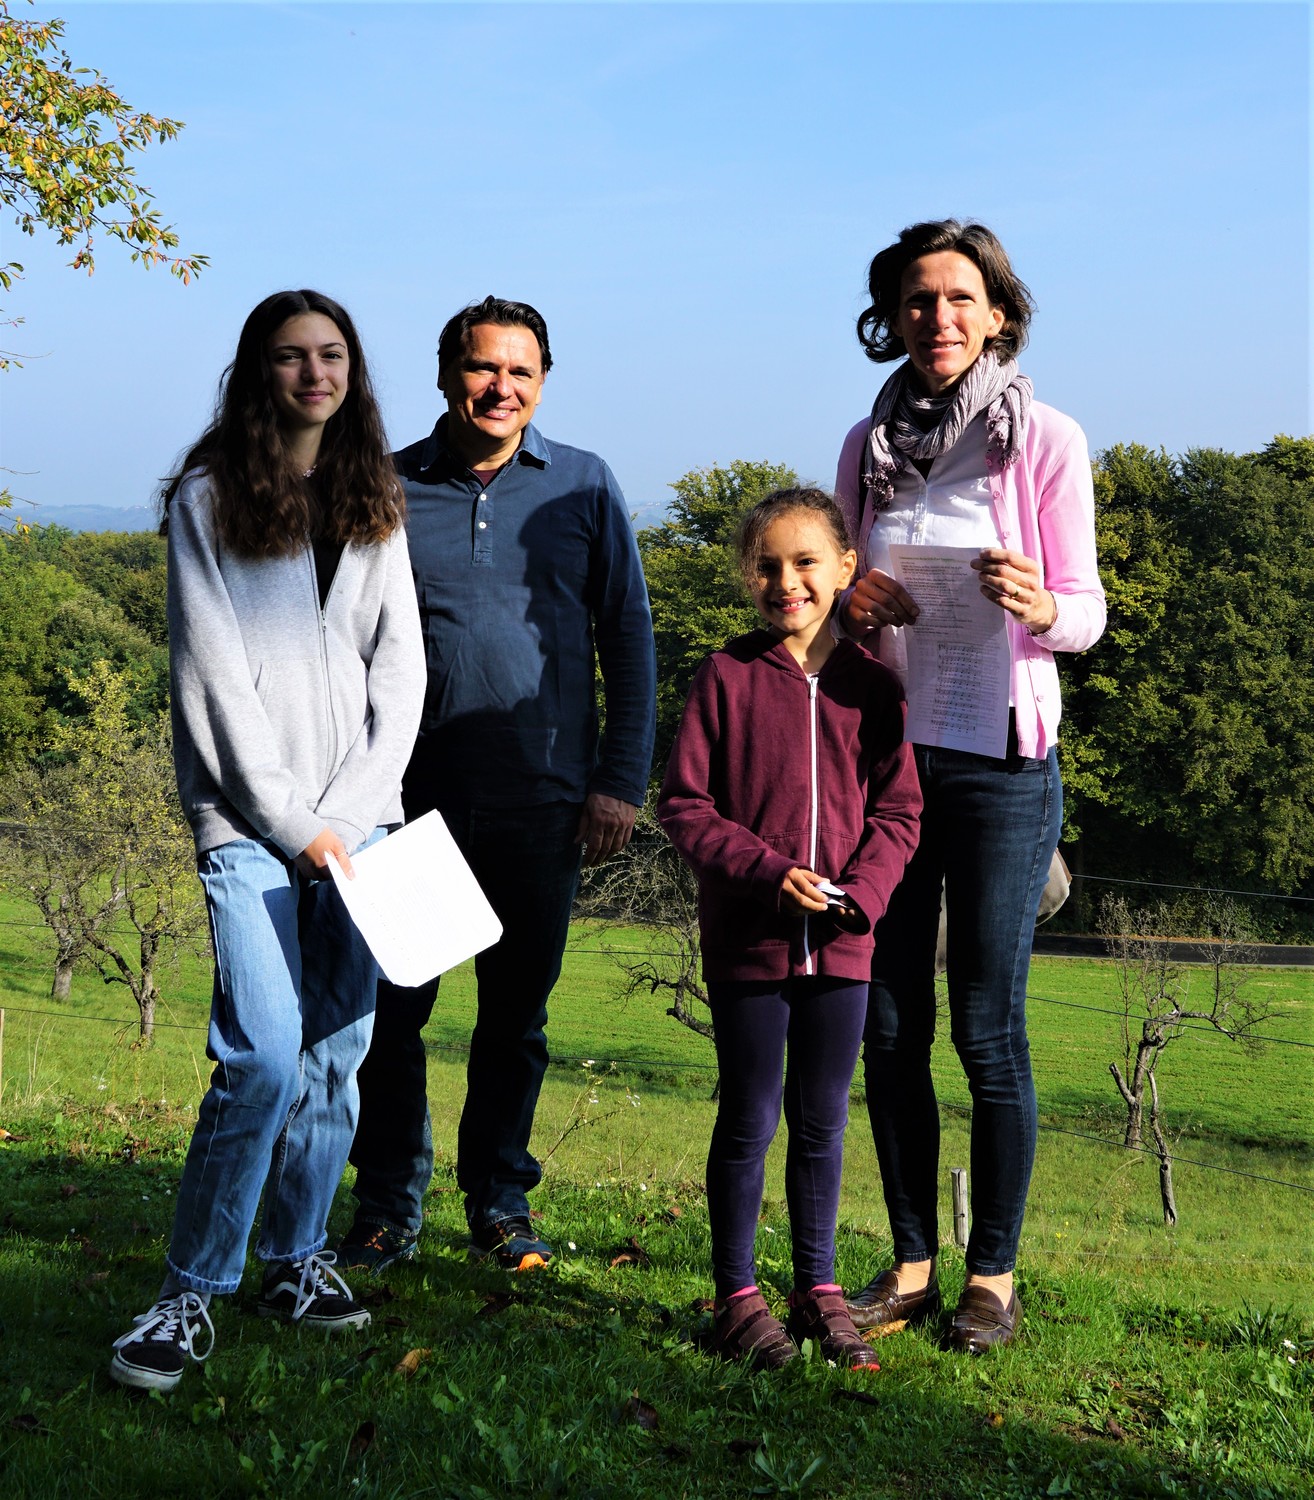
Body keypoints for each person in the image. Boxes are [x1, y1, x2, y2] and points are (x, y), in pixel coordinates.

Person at [108, 290, 425, 1392]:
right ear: (258, 372)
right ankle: (189, 1293)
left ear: (353, 371)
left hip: (365, 824)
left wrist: (354, 818)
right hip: (247, 824)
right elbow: (212, 680)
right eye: (291, 356)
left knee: (337, 1052)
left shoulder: (373, 494)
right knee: (263, 1052)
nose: (314, 373)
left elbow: (401, 668)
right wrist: (297, 827)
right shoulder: (208, 497)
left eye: (332, 354)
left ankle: (296, 1260)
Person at [340, 297, 656, 1274]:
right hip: (408, 802)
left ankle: (499, 1205)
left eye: (521, 371)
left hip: (544, 800)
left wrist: (618, 782)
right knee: (395, 1015)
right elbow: (339, 640)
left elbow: (628, 639)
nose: (500, 387)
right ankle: (387, 1205)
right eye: (483, 368)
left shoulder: (583, 485)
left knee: (515, 1021)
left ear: (544, 383)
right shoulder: (386, 485)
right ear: (447, 375)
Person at [834, 221, 1105, 1352]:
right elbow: (838, 601)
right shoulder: (866, 445)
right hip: (892, 763)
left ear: (998, 314)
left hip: (1002, 763)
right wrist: (853, 603)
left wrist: (1042, 605)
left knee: (988, 1032)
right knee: (889, 1026)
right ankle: (909, 1267)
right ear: (890, 317)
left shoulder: (1044, 437)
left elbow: (1085, 612)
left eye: (958, 298)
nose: (936, 317)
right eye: (916, 299)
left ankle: (992, 1277)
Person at [658, 488, 921, 1369]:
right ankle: (736, 1298)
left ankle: (818, 1289)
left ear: (846, 568)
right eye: (767, 566)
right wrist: (769, 875)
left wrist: (862, 895)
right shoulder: (725, 676)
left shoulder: (875, 688)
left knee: (822, 1121)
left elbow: (900, 813)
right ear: (749, 577)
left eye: (806, 562)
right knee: (749, 1116)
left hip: (844, 945)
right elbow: (686, 806)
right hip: (749, 941)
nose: (787, 582)